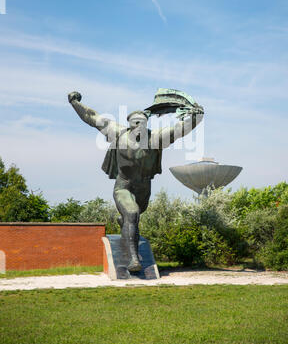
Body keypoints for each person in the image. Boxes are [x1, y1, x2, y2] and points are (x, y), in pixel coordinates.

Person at [68, 91, 203, 272]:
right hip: (123, 185)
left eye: (143, 122)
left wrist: (196, 117)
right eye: (135, 122)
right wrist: (75, 102)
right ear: (129, 124)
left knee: (135, 216)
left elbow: (179, 130)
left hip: (144, 188)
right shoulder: (117, 133)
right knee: (132, 213)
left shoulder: (155, 138)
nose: (139, 125)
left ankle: (124, 222)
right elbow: (92, 117)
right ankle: (134, 259)